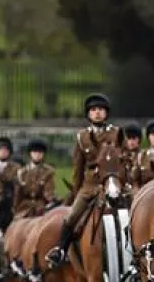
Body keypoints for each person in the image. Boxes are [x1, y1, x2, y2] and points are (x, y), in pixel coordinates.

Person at [46, 93, 119, 267]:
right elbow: (78, 169)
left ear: (106, 113)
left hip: (112, 183)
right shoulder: (82, 137)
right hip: (89, 186)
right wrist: (75, 192)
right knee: (71, 217)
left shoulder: (116, 133)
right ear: (88, 114)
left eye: (101, 110)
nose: (97, 113)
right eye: (93, 110)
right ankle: (61, 250)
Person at [16, 139, 57, 217]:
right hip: (24, 207)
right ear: (30, 153)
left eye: (40, 152)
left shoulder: (48, 172)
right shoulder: (22, 172)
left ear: (43, 154)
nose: (37, 155)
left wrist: (50, 198)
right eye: (35, 152)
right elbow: (18, 194)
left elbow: (49, 190)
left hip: (41, 206)